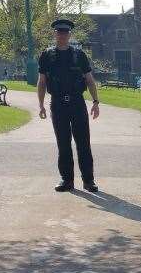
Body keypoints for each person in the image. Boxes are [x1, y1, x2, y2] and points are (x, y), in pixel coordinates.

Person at [37, 18, 100, 192]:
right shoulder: (47, 55)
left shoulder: (79, 55)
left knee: (83, 143)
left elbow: (89, 79)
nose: (62, 35)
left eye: (65, 32)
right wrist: (41, 105)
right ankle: (67, 180)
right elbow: (42, 82)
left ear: (69, 34)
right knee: (63, 143)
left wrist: (95, 102)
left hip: (77, 103)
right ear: (55, 34)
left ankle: (88, 180)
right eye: (59, 32)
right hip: (57, 104)